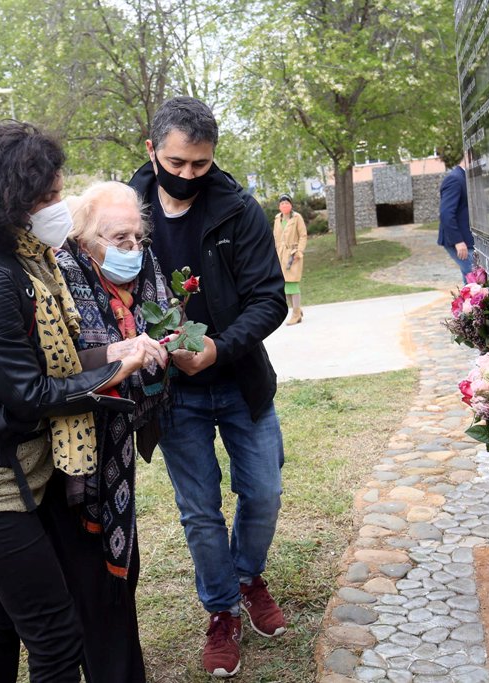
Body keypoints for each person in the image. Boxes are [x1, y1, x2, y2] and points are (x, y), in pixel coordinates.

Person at [0, 121, 148, 682]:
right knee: (55, 637)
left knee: (1, 613)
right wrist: (118, 367)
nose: (58, 207)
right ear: (12, 201)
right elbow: (30, 394)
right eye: (48, 197)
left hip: (21, 471)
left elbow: (57, 361)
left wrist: (113, 350)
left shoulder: (29, 263)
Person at [128, 96, 288, 678]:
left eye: (201, 164)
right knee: (199, 512)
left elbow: (269, 297)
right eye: (177, 163)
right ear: (152, 151)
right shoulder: (126, 211)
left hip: (240, 380)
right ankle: (221, 612)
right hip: (173, 393)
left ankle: (247, 577)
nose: (189, 175)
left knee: (263, 493)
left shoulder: (238, 209)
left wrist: (220, 347)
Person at [51, 181, 171, 682]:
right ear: (84, 240)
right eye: (119, 240)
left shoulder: (142, 275)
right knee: (91, 586)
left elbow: (168, 319)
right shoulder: (61, 275)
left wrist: (168, 348)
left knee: (120, 577)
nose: (133, 250)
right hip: (72, 460)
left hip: (117, 453)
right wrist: (120, 356)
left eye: (137, 239)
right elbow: (54, 365)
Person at [437, 150, 475, 282]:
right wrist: (458, 241)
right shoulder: (455, 179)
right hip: (459, 242)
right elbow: (446, 213)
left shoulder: (464, 177)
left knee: (471, 282)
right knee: (475, 282)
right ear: (468, 156)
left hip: (465, 240)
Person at [272, 194, 308, 325]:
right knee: (284, 284)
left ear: (291, 205)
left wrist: (299, 251)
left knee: (292, 283)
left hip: (293, 254)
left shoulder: (297, 217)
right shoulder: (277, 219)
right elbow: (275, 237)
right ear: (279, 206)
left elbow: (303, 235)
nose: (284, 205)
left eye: (287, 203)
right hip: (280, 254)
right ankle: (297, 309)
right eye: (282, 204)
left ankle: (296, 314)